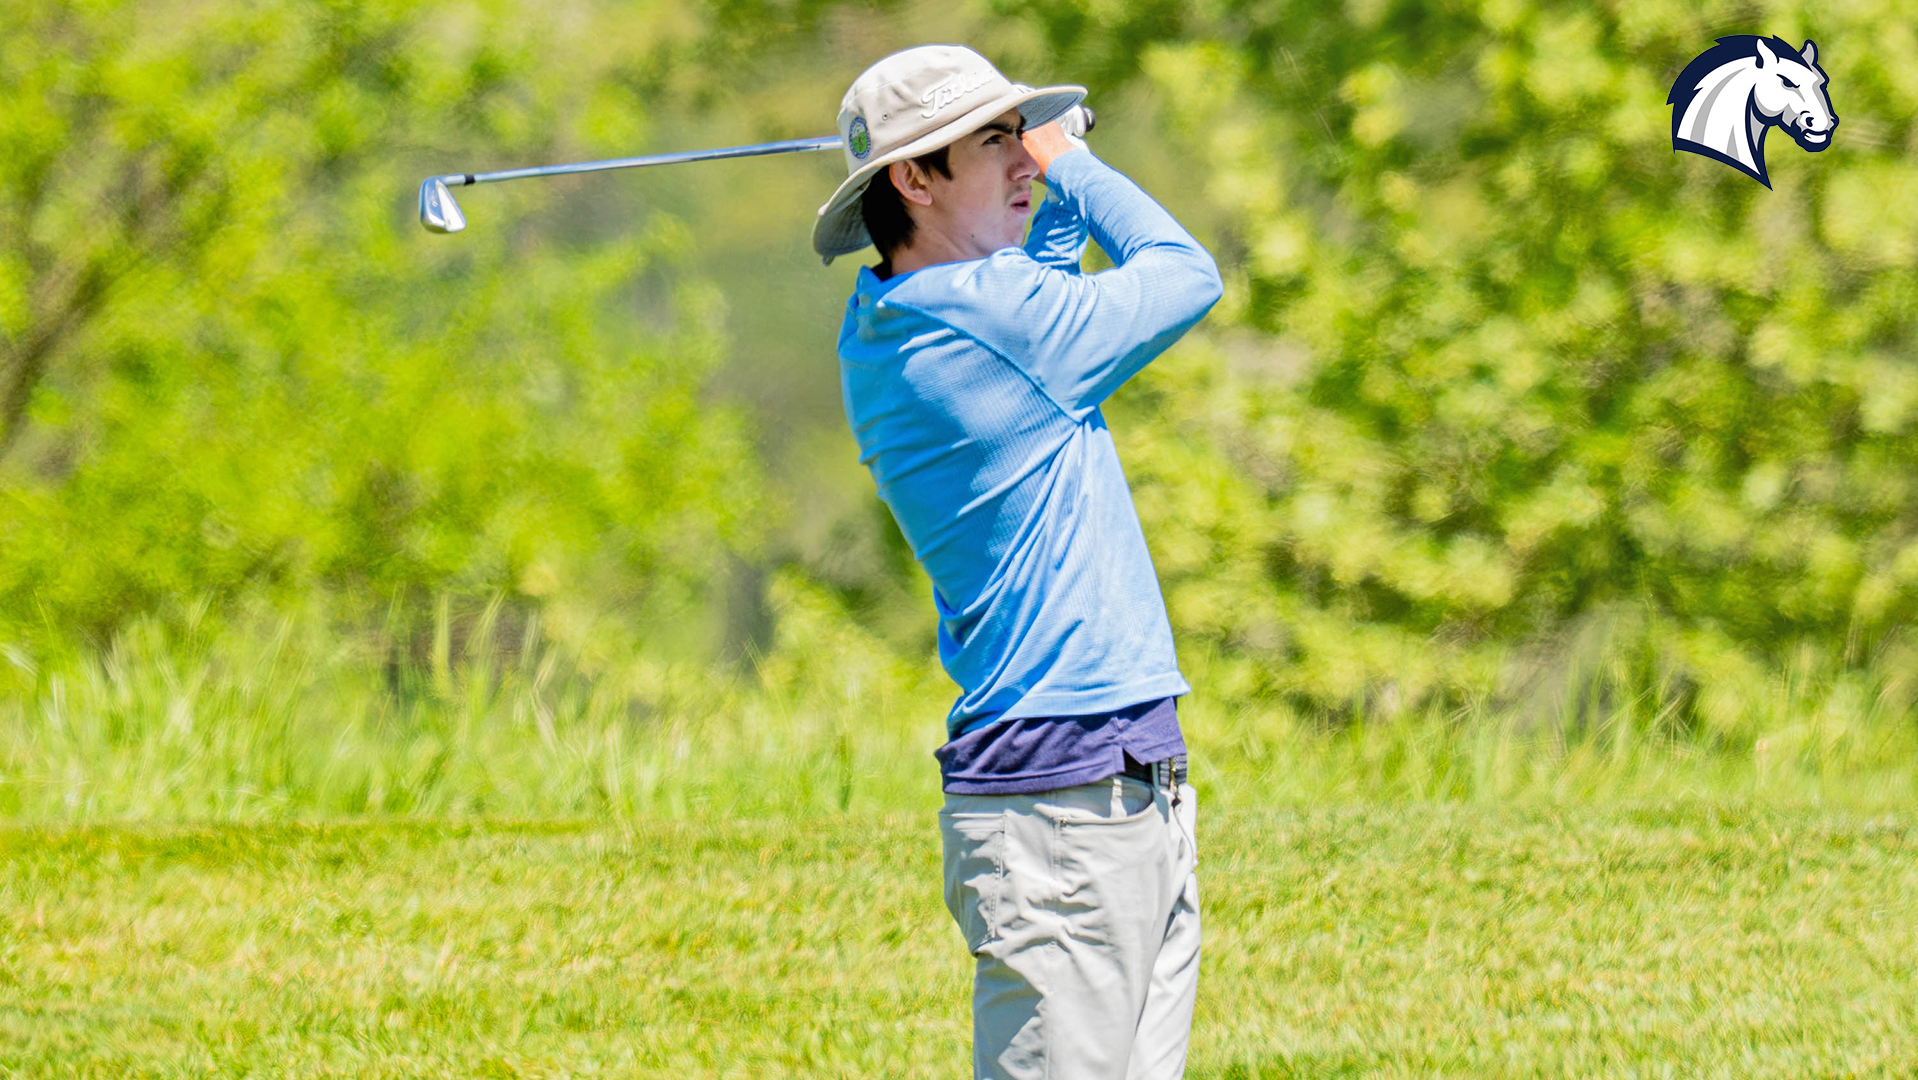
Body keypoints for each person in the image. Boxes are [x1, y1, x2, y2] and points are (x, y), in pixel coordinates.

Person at [813, 43, 1222, 1080]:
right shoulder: (991, 323)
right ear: (913, 178)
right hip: (1065, 808)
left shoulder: (906, 316)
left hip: (1115, 785)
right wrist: (1073, 166)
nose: (1021, 158)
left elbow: (1035, 272)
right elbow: (1183, 275)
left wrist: (1039, 175)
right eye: (994, 139)